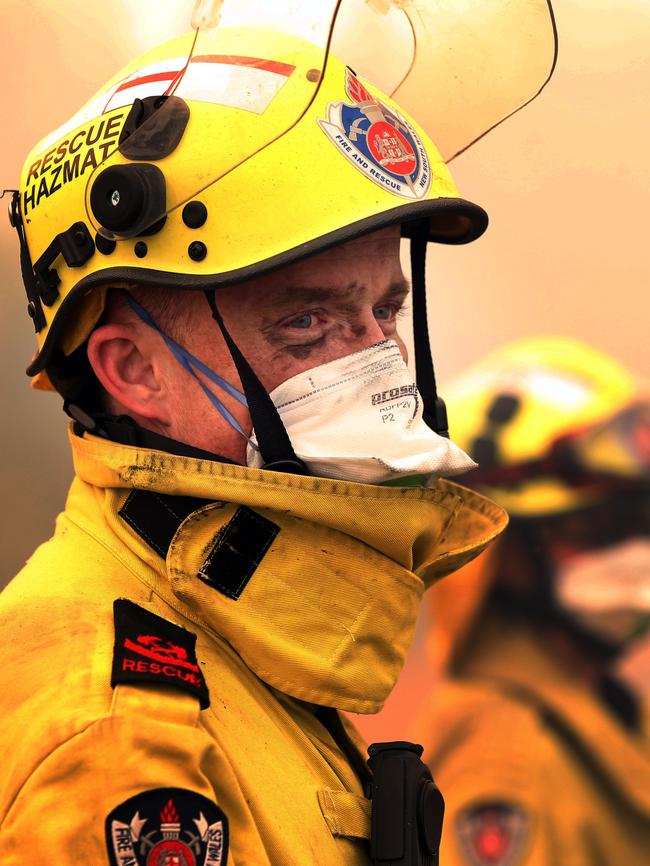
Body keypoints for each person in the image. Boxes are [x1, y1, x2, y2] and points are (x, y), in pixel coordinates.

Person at [0, 1, 558, 862]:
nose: (377, 361)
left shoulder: (249, 630)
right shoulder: (117, 736)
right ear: (134, 370)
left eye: (386, 309)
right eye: (306, 325)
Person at [409, 337, 650, 866]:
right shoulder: (505, 761)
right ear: (496, 549)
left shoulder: (602, 704)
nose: (636, 548)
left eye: (642, 518)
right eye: (598, 524)